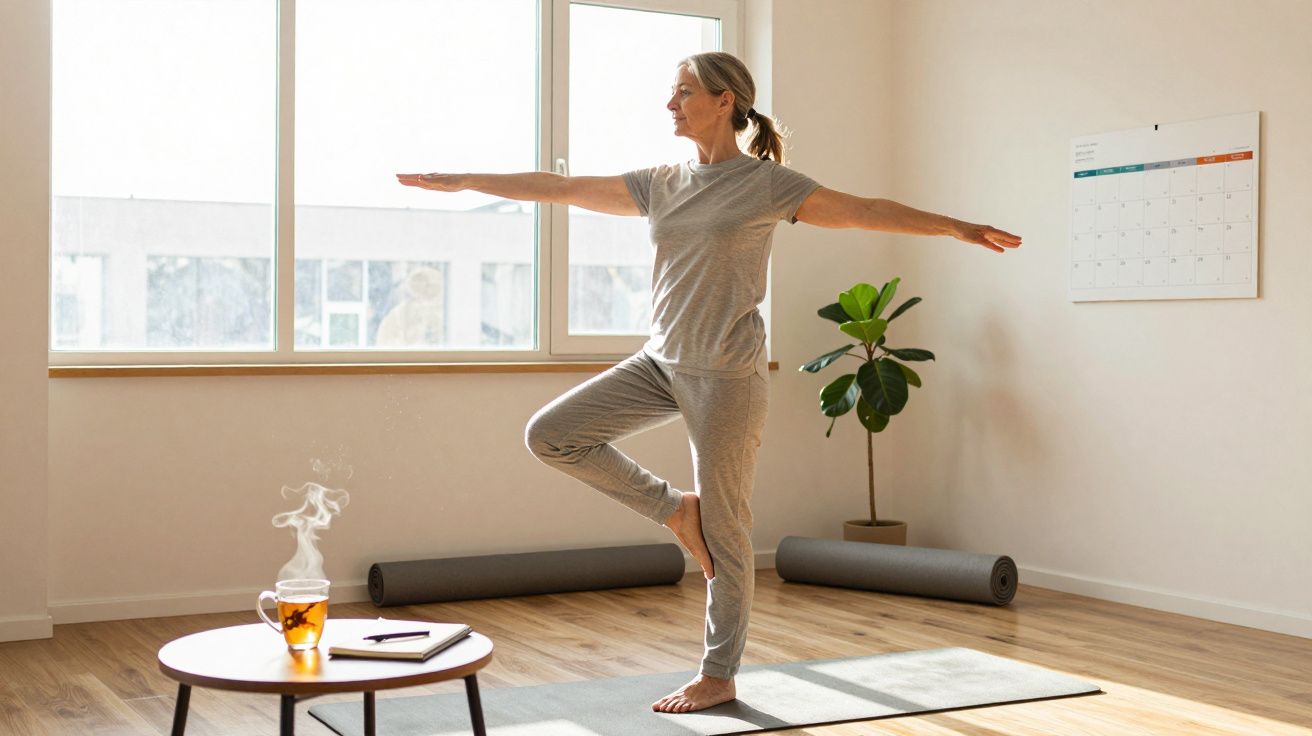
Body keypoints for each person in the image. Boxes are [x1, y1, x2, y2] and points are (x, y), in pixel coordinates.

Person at [397, 51, 1022, 715]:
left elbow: (864, 208)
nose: (670, 104)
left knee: (728, 533)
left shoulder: (767, 185)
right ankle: (674, 509)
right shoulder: (660, 182)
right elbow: (562, 188)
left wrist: (956, 227)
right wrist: (464, 180)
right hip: (660, 363)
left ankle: (718, 673)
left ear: (725, 101)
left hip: (727, 375)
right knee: (551, 434)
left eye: (683, 92)